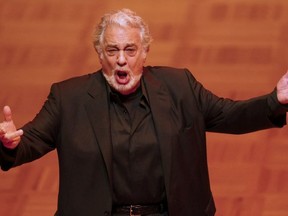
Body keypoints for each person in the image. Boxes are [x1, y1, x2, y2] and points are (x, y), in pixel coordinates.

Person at [0, 8, 288, 216]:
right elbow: (29, 140)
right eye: (112, 51)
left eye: (130, 50)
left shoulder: (179, 87)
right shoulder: (69, 98)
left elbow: (229, 115)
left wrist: (275, 100)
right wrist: (10, 143)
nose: (121, 60)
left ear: (145, 51)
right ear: (99, 54)